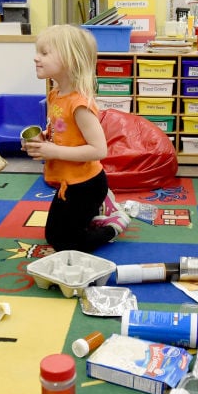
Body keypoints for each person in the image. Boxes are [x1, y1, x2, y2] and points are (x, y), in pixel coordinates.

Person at [22, 24, 128, 253]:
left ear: (69, 59)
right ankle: (96, 212)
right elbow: (60, 131)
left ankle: (113, 226)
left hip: (87, 184)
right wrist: (42, 139)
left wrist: (54, 152)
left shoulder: (80, 105)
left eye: (44, 53)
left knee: (65, 243)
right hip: (68, 183)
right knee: (52, 234)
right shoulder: (55, 94)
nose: (36, 58)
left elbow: (99, 150)